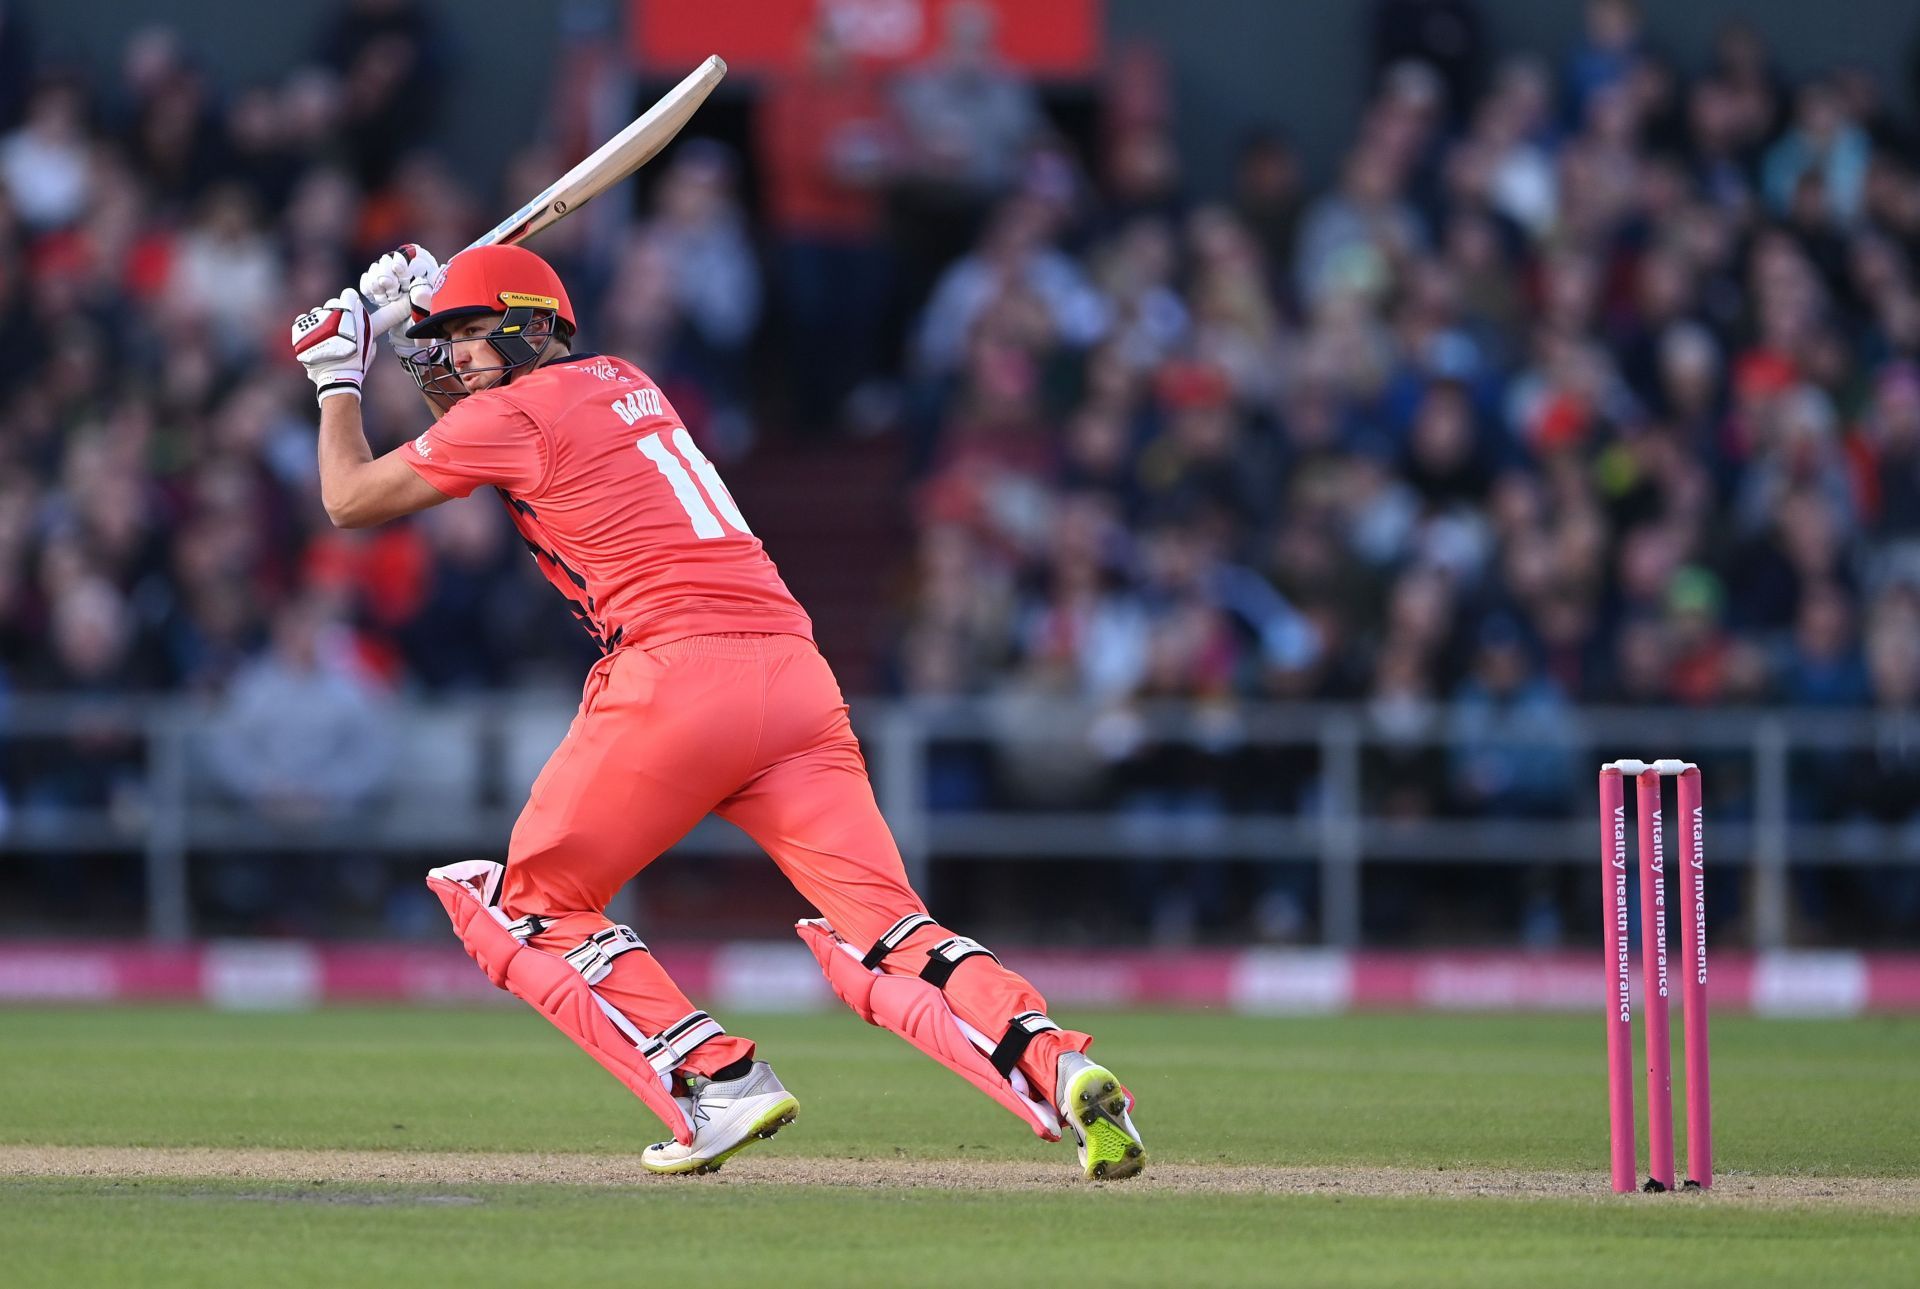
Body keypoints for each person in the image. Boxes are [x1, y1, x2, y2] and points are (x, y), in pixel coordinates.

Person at [288, 243, 1145, 1180]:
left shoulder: (518, 409)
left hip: (676, 676)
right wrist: (425, 308)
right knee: (889, 934)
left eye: (465, 340)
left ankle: (716, 1080)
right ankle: (1062, 1065)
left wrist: (338, 376)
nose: (449, 360)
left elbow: (350, 497)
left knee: (524, 906)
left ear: (529, 332)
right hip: (794, 676)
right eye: (441, 344)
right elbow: (484, 427)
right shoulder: (622, 379)